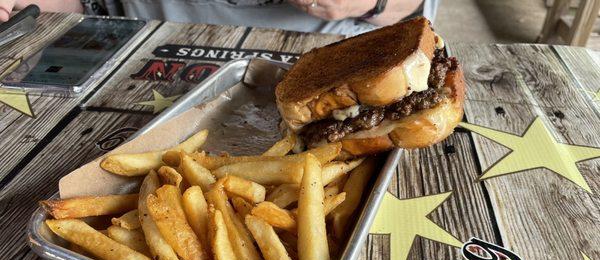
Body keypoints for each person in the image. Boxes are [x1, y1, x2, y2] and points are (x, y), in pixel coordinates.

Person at [0, 0, 438, 36]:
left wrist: (375, 3)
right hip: (130, 64)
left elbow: (418, 14)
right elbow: (91, 6)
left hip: (330, 82)